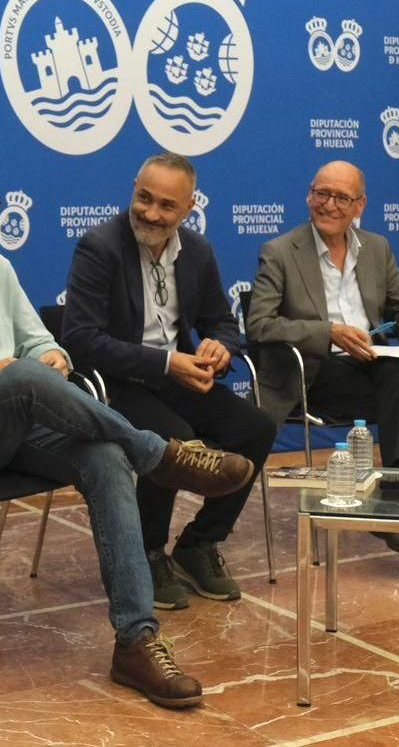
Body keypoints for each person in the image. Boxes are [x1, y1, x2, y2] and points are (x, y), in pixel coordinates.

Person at [0, 151, 256, 709]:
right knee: (22, 378)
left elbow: (43, 341)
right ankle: (157, 452)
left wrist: (53, 361)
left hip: (17, 427)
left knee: (103, 457)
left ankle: (136, 641)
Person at [61, 154, 278, 608]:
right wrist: (164, 363)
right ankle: (147, 553)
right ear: (133, 188)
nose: (152, 213)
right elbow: (80, 341)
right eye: (144, 198)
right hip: (114, 384)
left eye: (166, 205)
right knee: (173, 439)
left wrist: (220, 347)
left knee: (256, 428)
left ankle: (199, 544)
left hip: (177, 379)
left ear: (189, 207)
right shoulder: (99, 247)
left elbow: (221, 320)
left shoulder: (197, 251)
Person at [245, 161, 399, 582]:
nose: (329, 205)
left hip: (371, 367)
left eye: (341, 198)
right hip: (314, 373)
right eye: (321, 194)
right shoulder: (280, 251)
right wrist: (327, 331)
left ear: (360, 205)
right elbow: (259, 325)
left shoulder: (377, 248)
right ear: (309, 195)